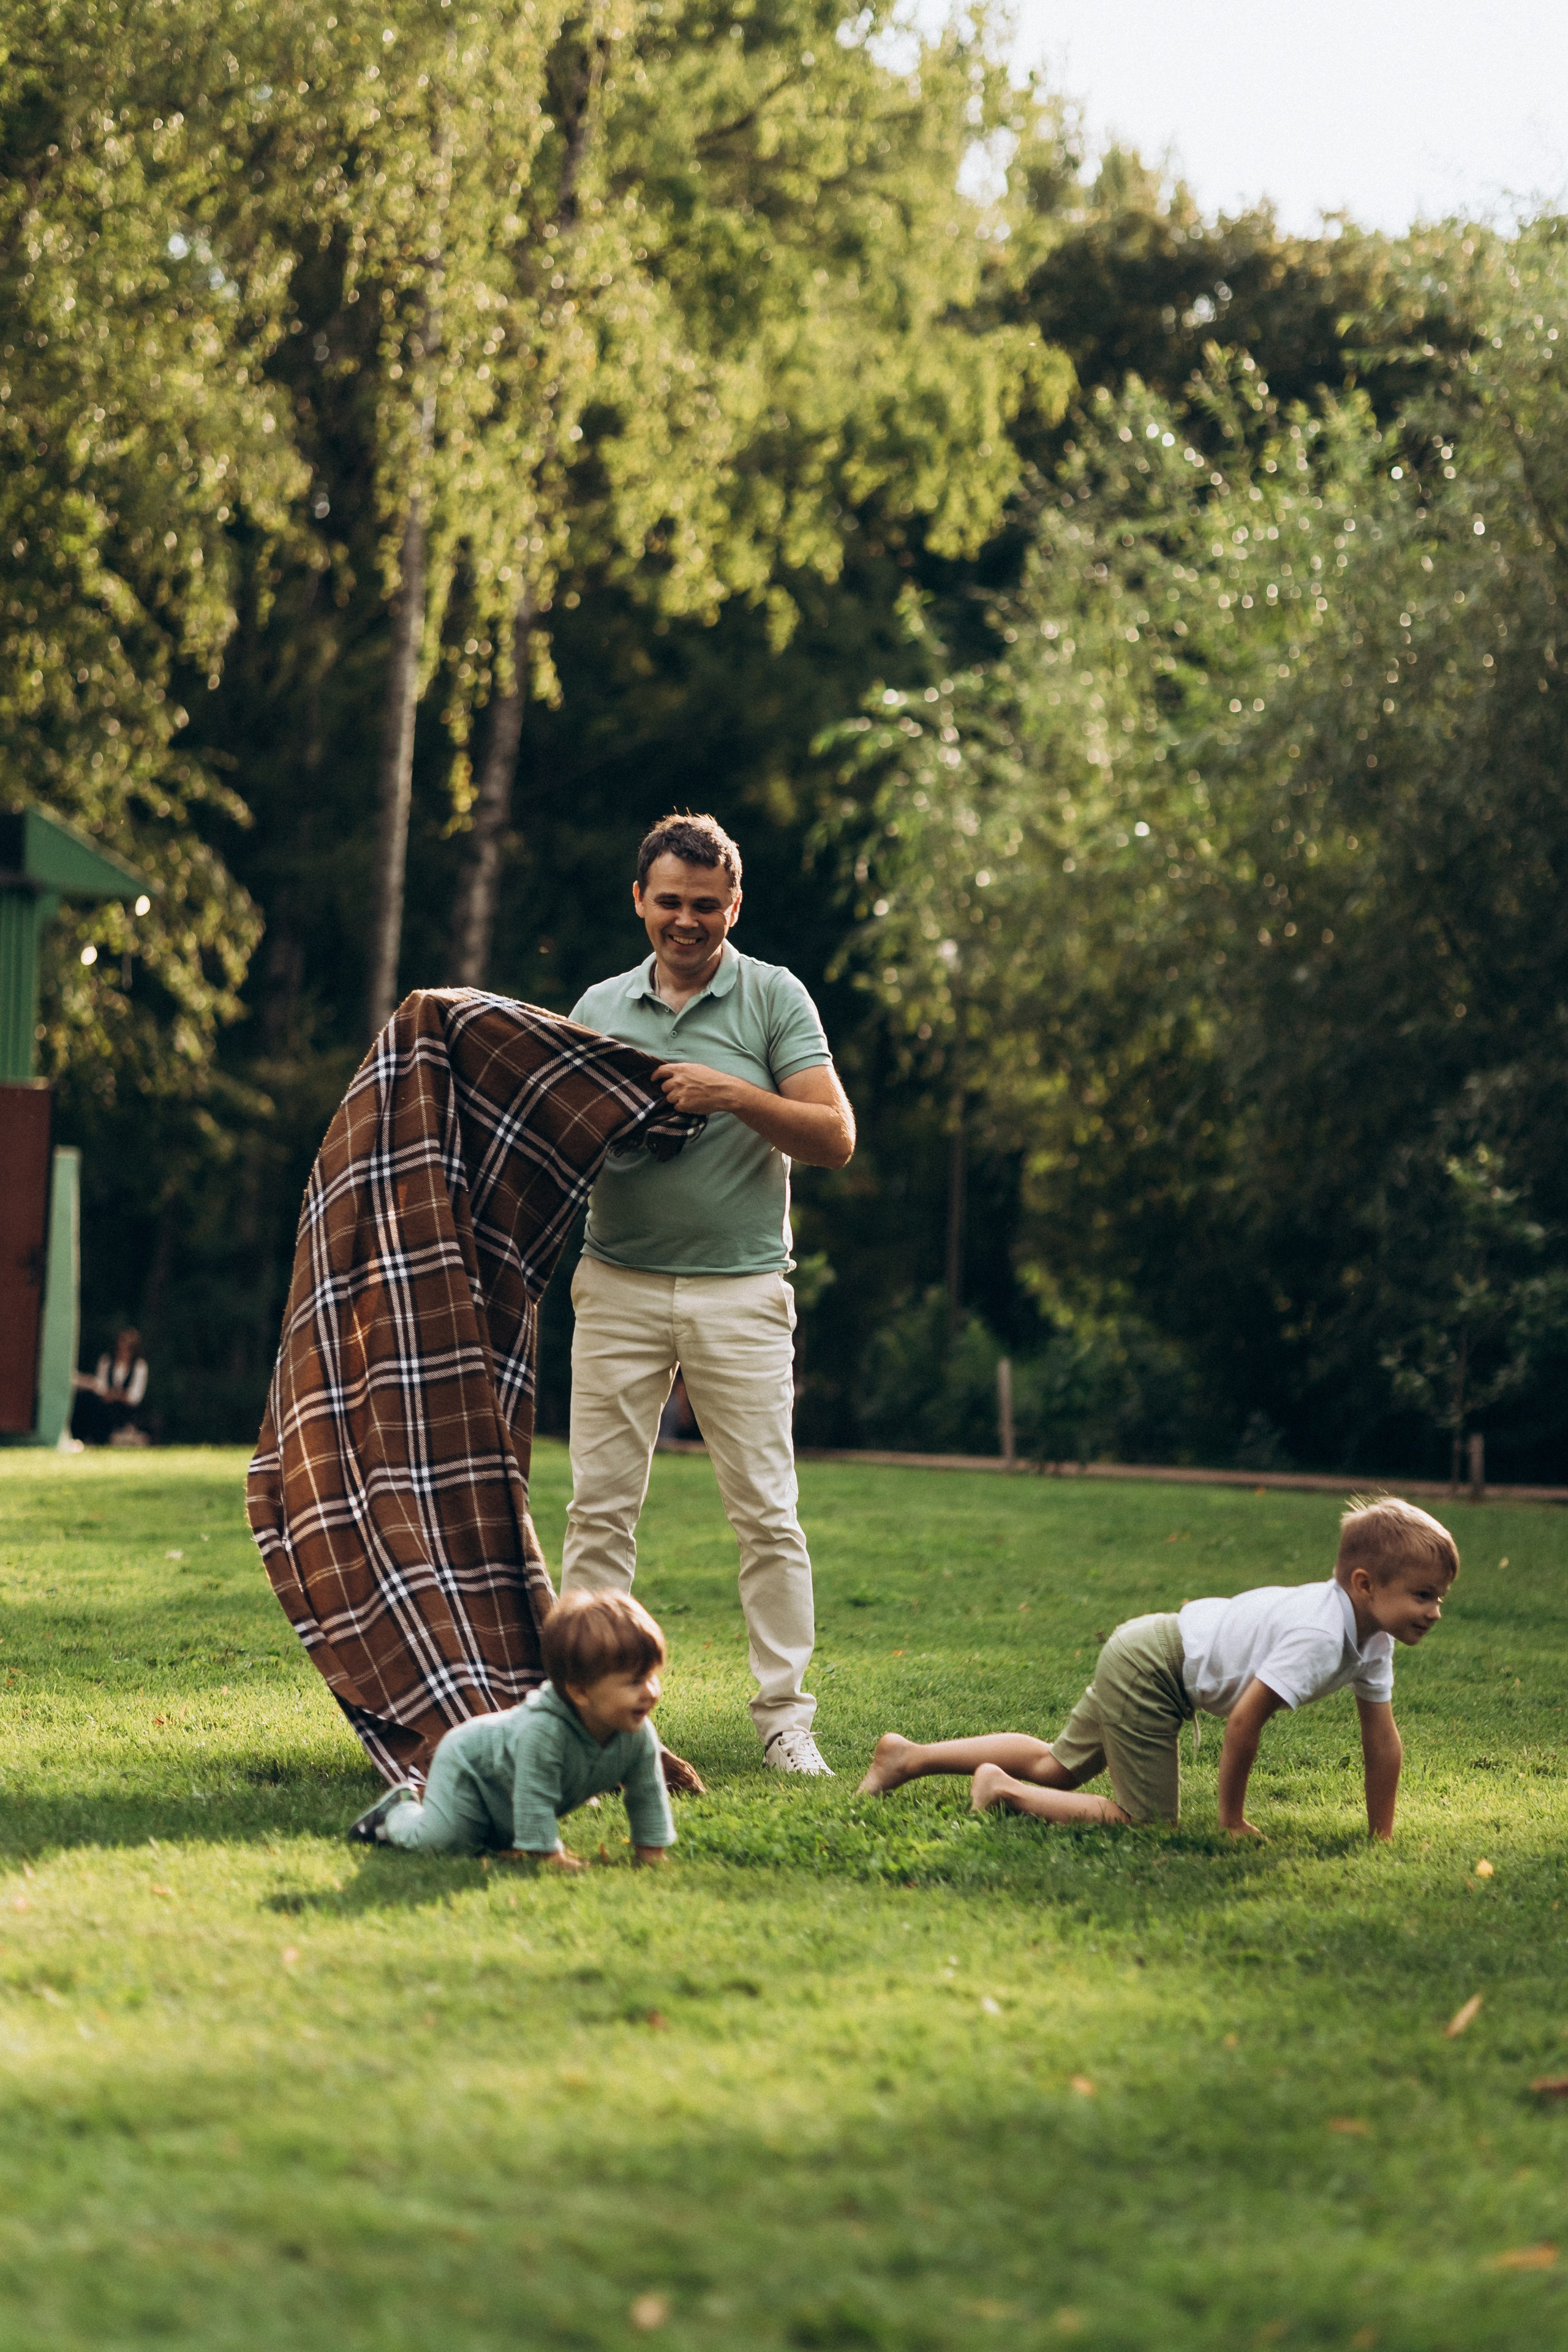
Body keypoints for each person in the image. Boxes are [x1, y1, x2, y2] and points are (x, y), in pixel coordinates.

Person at [562, 812, 855, 1777]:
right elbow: (552, 1145)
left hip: (742, 1291)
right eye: (670, 903)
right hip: (618, 1283)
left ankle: (785, 1723)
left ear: (734, 906)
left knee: (767, 1512)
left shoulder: (773, 998)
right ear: (639, 901)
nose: (687, 922)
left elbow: (833, 1136)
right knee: (599, 1510)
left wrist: (732, 1095)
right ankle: (585, 1715)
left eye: (706, 905)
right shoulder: (597, 1009)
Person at [857, 1496, 1458, 1839]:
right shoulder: (1322, 1635)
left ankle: (906, 1757)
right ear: (1364, 1584)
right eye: (1423, 1595)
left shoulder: (1372, 1637)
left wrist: (1380, 1835)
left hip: (1151, 1647)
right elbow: (1245, 1721)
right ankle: (1002, 1790)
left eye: (1437, 1597)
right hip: (1156, 1669)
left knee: (1055, 1767)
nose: (1434, 1611)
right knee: (1145, 1821)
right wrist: (1231, 1821)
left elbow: (1380, 1740)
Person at [346, 1592, 676, 1869]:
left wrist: (651, 1854)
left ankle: (491, 1833)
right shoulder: (545, 1733)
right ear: (581, 1692)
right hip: (470, 1766)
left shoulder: (637, 1735)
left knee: (489, 1841)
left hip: (505, 1796)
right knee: (442, 1842)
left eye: (652, 1676)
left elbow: (647, 1792)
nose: (650, 1691)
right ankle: (399, 1811)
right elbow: (534, 1798)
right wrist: (550, 1857)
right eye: (634, 1682)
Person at [71, 1327, 149, 1446]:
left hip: (125, 1411)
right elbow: (100, 1386)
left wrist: (115, 1395)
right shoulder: (106, 1361)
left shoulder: (140, 1366)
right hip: (105, 1406)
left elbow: (134, 1397)